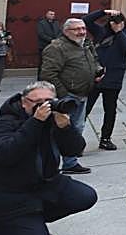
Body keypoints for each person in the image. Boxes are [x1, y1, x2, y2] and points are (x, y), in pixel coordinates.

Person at [0, 80, 98, 235]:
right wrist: (36, 122)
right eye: (38, 101)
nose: (45, 106)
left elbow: (75, 149)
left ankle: (30, 224)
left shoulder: (53, 121)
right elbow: (5, 154)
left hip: (43, 185)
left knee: (85, 196)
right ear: (24, 103)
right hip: (8, 194)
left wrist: (65, 128)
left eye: (49, 100)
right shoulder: (4, 123)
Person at [40, 16, 101, 175]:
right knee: (59, 131)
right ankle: (51, 166)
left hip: (82, 95)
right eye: (77, 29)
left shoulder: (84, 45)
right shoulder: (57, 48)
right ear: (66, 31)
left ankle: (70, 163)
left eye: (83, 29)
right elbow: (48, 74)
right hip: (66, 98)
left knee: (75, 130)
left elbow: (92, 62)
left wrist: (96, 72)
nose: (81, 32)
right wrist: (64, 96)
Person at [84, 10, 126, 152]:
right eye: (114, 21)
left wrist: (119, 32)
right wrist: (103, 12)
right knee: (85, 108)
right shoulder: (101, 33)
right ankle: (76, 139)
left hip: (114, 78)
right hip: (95, 76)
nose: (116, 23)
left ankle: (106, 139)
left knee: (110, 109)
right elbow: (86, 20)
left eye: (119, 21)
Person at [35, 10, 62, 78]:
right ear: (46, 15)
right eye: (50, 14)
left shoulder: (56, 23)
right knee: (42, 62)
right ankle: (40, 77)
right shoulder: (41, 23)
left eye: (53, 14)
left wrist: (57, 39)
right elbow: (41, 34)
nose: (52, 15)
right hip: (44, 45)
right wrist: (50, 40)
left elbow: (60, 32)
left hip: (55, 46)